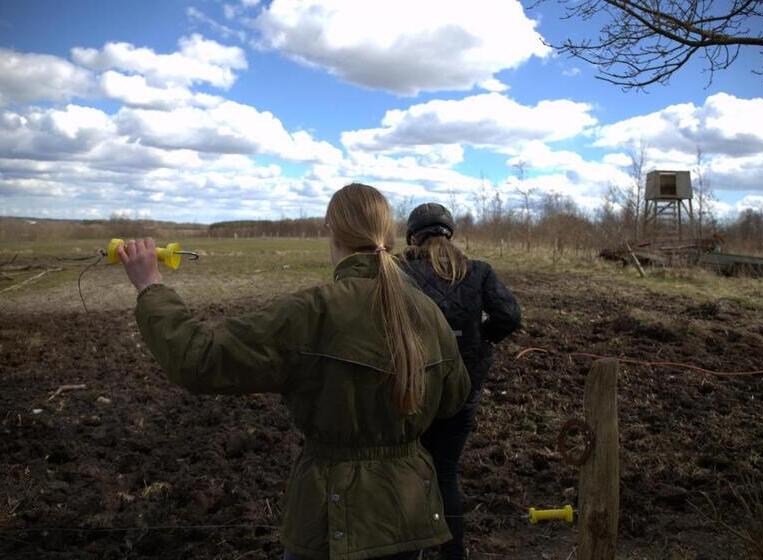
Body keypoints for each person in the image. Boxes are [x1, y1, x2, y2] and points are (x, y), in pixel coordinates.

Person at [117, 184, 471, 560]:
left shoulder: (312, 311)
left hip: (329, 521)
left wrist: (151, 287)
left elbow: (199, 358)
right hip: (409, 513)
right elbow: (453, 399)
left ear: (331, 230)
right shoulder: (427, 311)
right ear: (389, 233)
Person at [401, 203, 521, 560]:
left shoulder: (398, 270)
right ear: (449, 233)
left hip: (412, 386)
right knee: (447, 470)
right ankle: (453, 553)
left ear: (412, 236)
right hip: (462, 387)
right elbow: (510, 316)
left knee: (408, 467)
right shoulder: (478, 270)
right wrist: (480, 339)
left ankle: (412, 549)